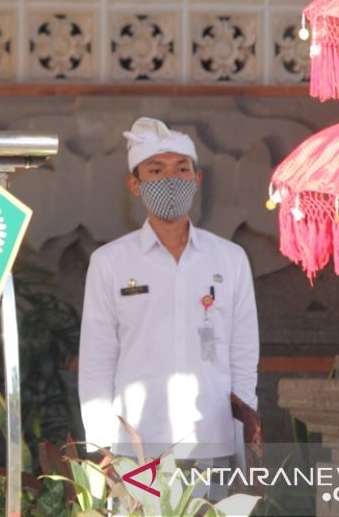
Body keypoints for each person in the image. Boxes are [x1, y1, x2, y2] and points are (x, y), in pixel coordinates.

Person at [77, 117, 259, 489]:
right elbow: (97, 360)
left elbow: (243, 354)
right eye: (156, 170)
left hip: (212, 440)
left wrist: (244, 441)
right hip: (136, 447)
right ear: (135, 184)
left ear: (197, 178)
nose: (170, 180)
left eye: (181, 169)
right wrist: (101, 448)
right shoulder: (110, 263)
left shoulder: (230, 259)